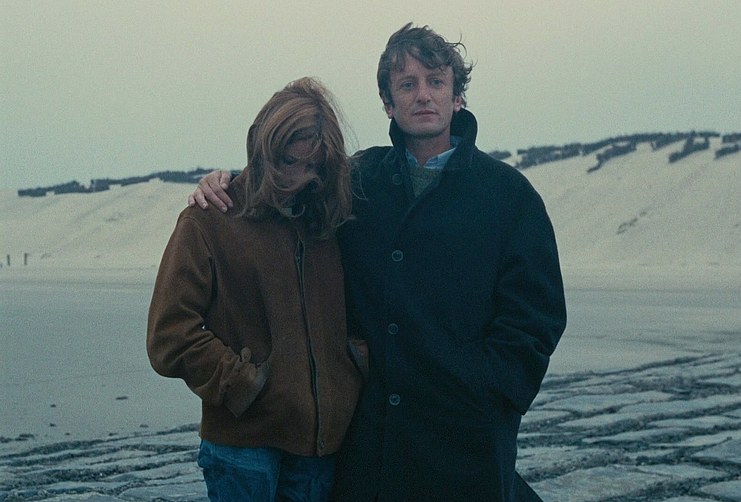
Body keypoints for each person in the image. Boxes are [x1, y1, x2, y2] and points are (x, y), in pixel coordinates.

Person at [191, 23, 567, 501]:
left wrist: (489, 392)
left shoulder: (509, 196)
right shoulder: (357, 181)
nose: (423, 95)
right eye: (407, 85)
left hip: (465, 440)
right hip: (370, 443)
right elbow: (286, 192)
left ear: (457, 97)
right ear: (388, 103)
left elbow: (537, 317)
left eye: (435, 81)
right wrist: (230, 182)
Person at [148, 77, 367, 501]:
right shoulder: (209, 218)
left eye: (314, 167)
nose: (300, 178)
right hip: (242, 449)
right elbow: (168, 335)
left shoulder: (329, 219)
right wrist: (241, 384)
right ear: (263, 146)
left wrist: (352, 370)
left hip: (321, 448)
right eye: (290, 161)